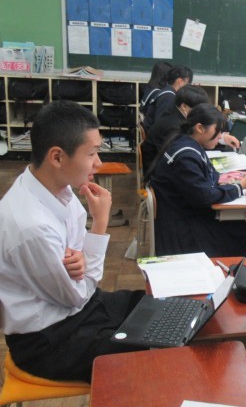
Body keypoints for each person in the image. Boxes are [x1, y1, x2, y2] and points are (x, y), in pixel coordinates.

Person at [0, 100, 145, 382]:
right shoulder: (31, 226)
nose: (98, 162)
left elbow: (78, 264)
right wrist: (99, 225)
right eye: (91, 153)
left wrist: (80, 256)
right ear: (57, 157)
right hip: (48, 340)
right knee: (150, 350)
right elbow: (77, 296)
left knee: (149, 305)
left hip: (77, 309)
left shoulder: (55, 188)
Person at [148, 104, 246, 257]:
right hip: (182, 232)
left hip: (182, 216)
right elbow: (205, 197)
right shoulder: (186, 157)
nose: (220, 136)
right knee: (243, 232)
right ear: (200, 128)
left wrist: (225, 180)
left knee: (240, 227)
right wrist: (238, 187)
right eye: (217, 131)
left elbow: (209, 175)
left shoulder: (185, 142)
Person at [141, 85, 209, 177]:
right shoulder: (174, 126)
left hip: (161, 165)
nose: (201, 113)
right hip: (157, 173)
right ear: (184, 106)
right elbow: (178, 157)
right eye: (198, 109)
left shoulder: (174, 114)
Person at [143, 64, 193, 132]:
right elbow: (162, 126)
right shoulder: (168, 97)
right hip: (158, 136)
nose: (189, 87)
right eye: (188, 83)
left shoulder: (168, 92)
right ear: (180, 82)